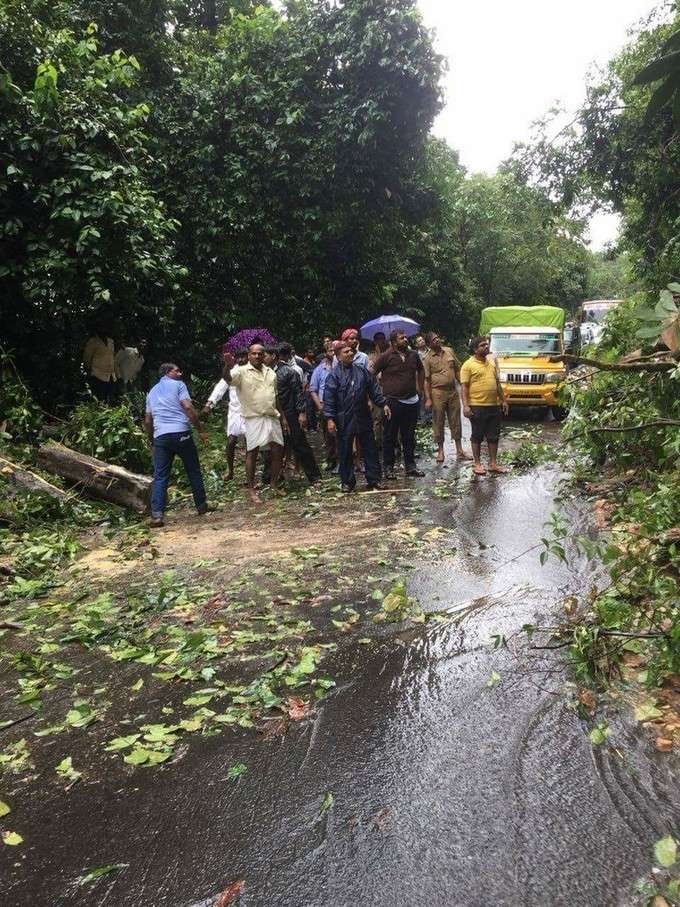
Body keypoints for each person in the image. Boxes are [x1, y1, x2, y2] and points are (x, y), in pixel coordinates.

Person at [144, 363, 212, 528]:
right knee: (193, 469)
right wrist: (200, 430)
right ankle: (201, 505)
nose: (180, 374)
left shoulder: (152, 392)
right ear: (168, 372)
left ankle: (157, 515)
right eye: (177, 371)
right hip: (181, 432)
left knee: (160, 476)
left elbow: (148, 420)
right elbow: (188, 407)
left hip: (161, 436)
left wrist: (153, 439)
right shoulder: (179, 385)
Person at [323, 341, 390, 492]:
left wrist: (383, 403)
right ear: (339, 356)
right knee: (345, 450)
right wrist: (330, 419)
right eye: (346, 352)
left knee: (370, 449)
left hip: (362, 416)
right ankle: (347, 482)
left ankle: (374, 479)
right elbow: (329, 399)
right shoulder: (334, 376)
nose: (350, 353)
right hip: (344, 418)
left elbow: (373, 389)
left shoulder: (361, 371)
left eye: (351, 351)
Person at [223, 342, 284, 502]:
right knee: (253, 452)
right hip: (253, 417)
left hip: (272, 416)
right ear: (249, 355)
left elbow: (275, 396)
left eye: (260, 353)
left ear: (264, 356)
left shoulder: (271, 372)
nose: (257, 356)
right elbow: (227, 379)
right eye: (254, 353)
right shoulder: (240, 371)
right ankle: (251, 489)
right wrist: (227, 366)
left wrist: (283, 417)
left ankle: (274, 484)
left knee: (278, 450)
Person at [262, 345, 320, 486]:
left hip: (290, 413)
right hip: (274, 413)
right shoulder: (266, 372)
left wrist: (301, 412)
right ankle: (270, 477)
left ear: (273, 356)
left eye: (265, 355)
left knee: (299, 443)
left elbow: (298, 393)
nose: (263, 358)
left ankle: (314, 476)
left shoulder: (288, 372)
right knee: (273, 445)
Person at [371, 329, 425, 479]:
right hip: (393, 401)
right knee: (390, 436)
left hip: (412, 401)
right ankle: (388, 468)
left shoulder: (413, 355)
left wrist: (420, 388)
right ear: (394, 342)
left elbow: (421, 371)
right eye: (402, 338)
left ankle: (410, 467)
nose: (406, 339)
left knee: (409, 435)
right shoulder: (386, 356)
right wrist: (378, 396)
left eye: (406, 337)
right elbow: (372, 374)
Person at [460, 336, 510, 477]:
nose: (486, 347)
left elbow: (497, 384)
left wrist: (504, 400)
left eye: (486, 345)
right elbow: (464, 388)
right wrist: (465, 406)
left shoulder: (492, 363)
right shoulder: (468, 365)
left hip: (493, 405)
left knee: (493, 436)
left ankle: (493, 463)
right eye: (482, 345)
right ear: (475, 349)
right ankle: (477, 464)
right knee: (477, 435)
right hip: (477, 406)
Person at [423, 331, 471, 463]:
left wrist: (463, 385)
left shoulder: (449, 351)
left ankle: (459, 450)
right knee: (438, 420)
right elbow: (426, 380)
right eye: (434, 340)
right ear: (429, 344)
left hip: (452, 391)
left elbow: (457, 369)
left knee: (455, 420)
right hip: (437, 392)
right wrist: (428, 398)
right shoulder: (427, 358)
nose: (437, 340)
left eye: (437, 338)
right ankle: (440, 451)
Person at [203, 348, 248, 481]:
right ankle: (231, 470)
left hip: (250, 411)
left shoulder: (253, 372)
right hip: (234, 411)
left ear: (248, 357)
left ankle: (248, 473)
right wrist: (209, 404)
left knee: (250, 443)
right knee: (231, 441)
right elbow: (220, 388)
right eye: (238, 357)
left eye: (243, 357)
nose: (241, 360)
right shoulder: (231, 372)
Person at [309, 338, 338, 472]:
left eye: (334, 350)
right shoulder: (319, 370)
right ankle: (332, 459)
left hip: (341, 404)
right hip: (325, 405)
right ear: (326, 353)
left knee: (342, 434)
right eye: (330, 350)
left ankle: (343, 460)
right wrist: (319, 406)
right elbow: (313, 389)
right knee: (329, 435)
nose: (332, 353)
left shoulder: (341, 367)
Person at [83, 322, 118, 402]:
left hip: (110, 376)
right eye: (101, 327)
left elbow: (113, 357)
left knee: (109, 400)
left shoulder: (111, 341)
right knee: (99, 399)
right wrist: (89, 371)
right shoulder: (93, 341)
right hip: (98, 375)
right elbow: (87, 358)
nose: (103, 329)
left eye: (105, 327)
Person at [368, 332, 389, 455]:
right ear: (375, 341)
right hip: (376, 391)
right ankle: (378, 443)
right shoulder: (371, 357)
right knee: (377, 419)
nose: (381, 342)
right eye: (379, 340)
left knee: (391, 418)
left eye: (383, 339)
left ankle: (395, 444)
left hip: (390, 389)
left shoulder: (390, 354)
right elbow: (370, 375)